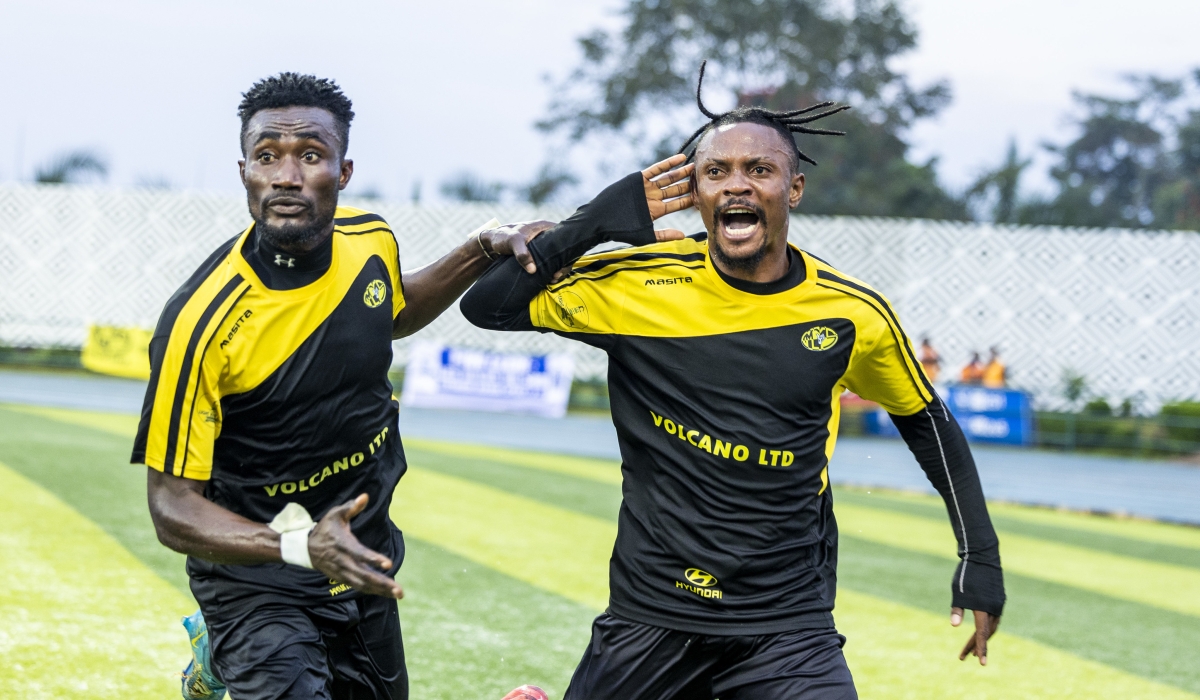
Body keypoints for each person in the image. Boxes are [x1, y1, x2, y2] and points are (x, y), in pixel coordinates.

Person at [461, 63, 1005, 699]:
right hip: (651, 614)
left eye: (760, 170)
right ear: (696, 191)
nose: (736, 185)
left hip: (788, 624)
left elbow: (925, 420)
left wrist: (980, 557)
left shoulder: (852, 313)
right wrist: (594, 222)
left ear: (793, 189)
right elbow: (487, 306)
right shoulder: (639, 281)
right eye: (715, 172)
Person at [131, 73, 550, 700]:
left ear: (343, 170)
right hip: (256, 579)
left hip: (361, 554)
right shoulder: (198, 322)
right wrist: (297, 545)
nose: (287, 175)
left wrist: (481, 249)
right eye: (267, 156)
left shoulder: (370, 240)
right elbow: (170, 507)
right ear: (244, 171)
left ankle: (217, 663)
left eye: (310, 154)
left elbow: (393, 308)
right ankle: (226, 650)